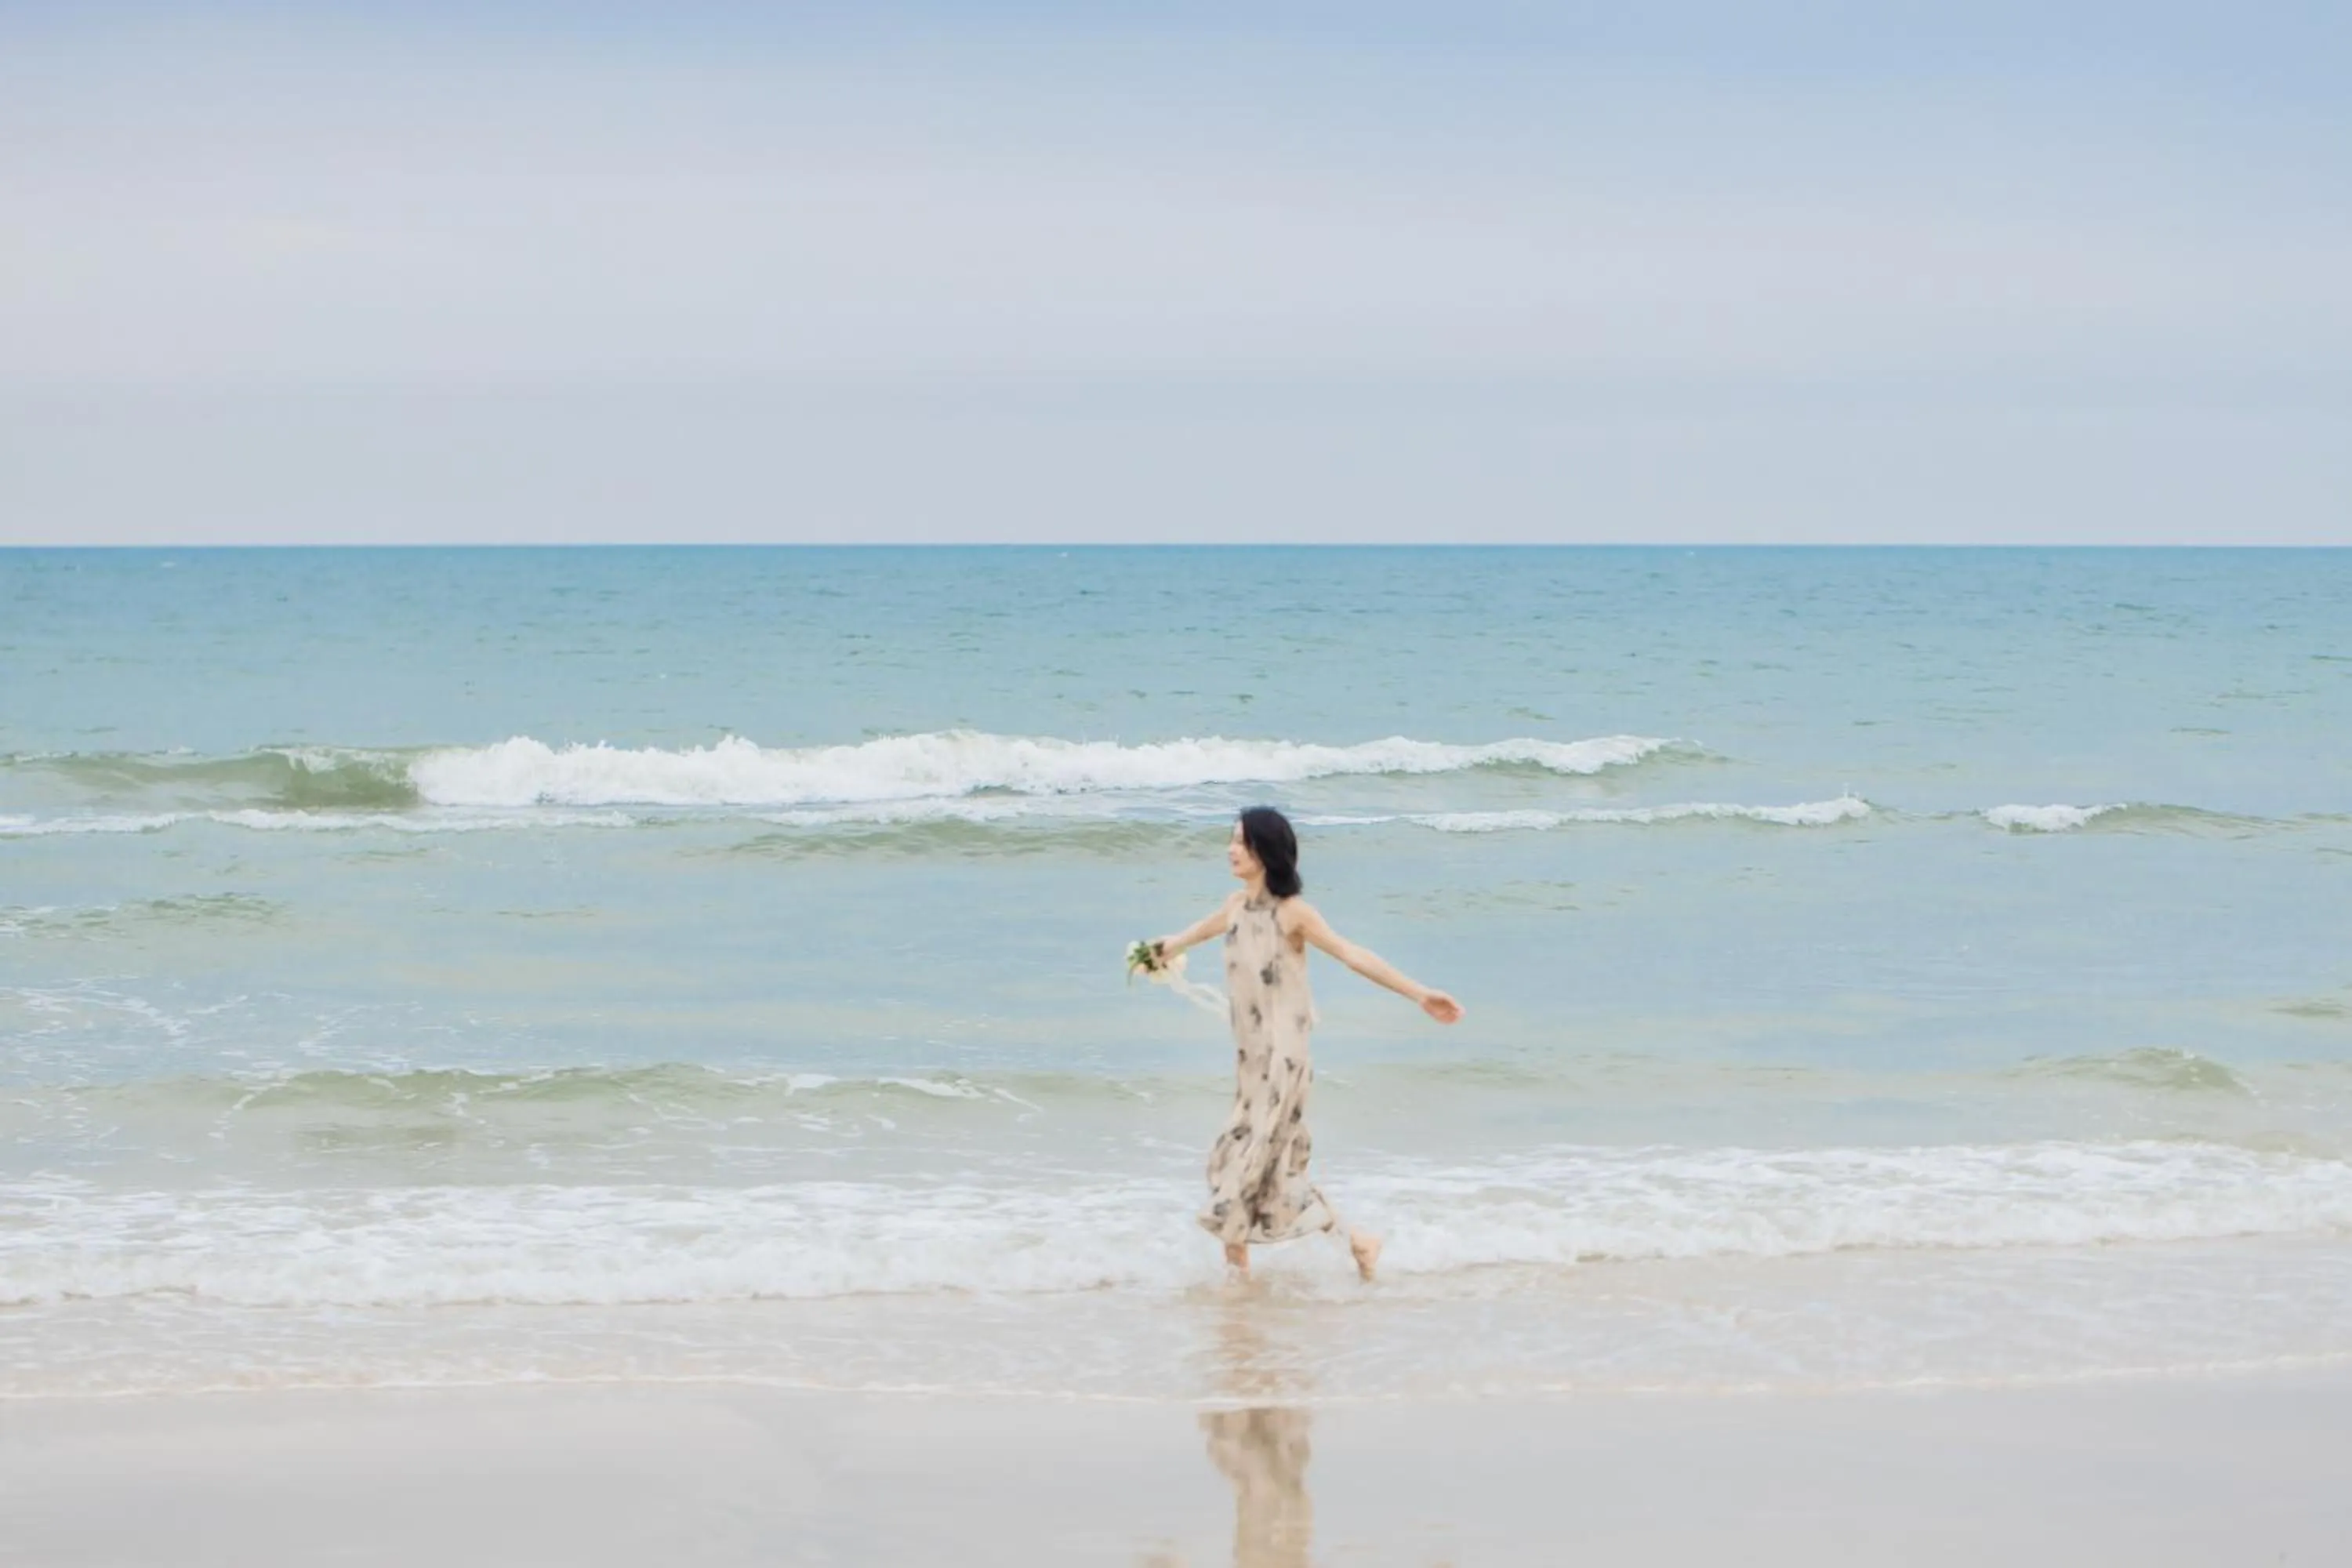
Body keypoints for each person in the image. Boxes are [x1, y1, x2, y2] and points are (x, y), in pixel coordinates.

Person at [1149, 806, 1463, 1282]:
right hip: (1252, 1065)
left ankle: (1238, 1286)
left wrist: (1419, 994)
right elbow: (1187, 937)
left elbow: (1352, 954)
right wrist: (1158, 952)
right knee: (1257, 1170)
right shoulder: (1235, 906)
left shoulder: (1293, 913)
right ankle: (1356, 1243)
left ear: (1266, 851)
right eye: (1232, 840)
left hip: (1284, 1064)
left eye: (1242, 842)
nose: (1231, 850)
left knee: (1242, 1169)